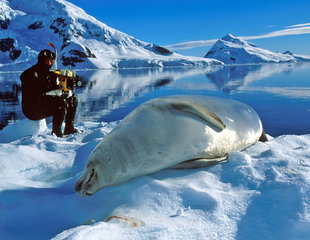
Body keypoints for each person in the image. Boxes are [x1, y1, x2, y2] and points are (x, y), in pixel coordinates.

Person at [20, 49, 78, 137]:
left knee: (72, 98)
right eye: (48, 61)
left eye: (51, 61)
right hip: (31, 109)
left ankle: (69, 128)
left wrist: (67, 83)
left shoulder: (50, 74)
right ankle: (56, 132)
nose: (50, 63)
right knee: (60, 102)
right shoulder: (31, 73)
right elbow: (33, 87)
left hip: (42, 103)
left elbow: (52, 89)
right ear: (42, 60)